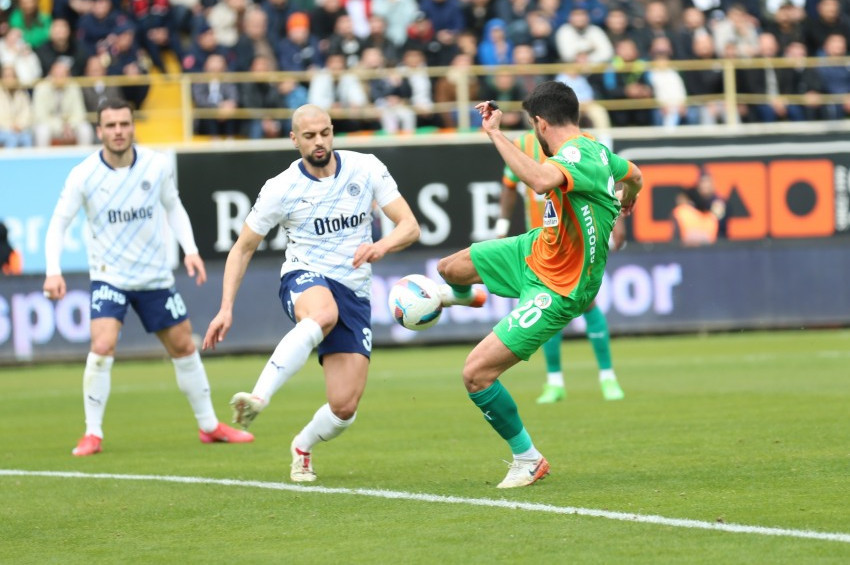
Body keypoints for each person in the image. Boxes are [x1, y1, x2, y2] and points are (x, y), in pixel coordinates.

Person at [436, 81, 642, 488]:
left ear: (540, 124)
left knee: (476, 374)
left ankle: (528, 458)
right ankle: (474, 295)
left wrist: (496, 133)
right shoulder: (597, 150)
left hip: (561, 285)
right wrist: (628, 195)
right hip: (537, 250)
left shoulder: (578, 156)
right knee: (448, 269)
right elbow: (634, 173)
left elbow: (541, 182)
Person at [203, 104, 420, 483]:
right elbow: (242, 248)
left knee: (344, 409)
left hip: (354, 291)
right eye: (309, 136)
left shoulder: (366, 167)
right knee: (322, 313)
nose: (319, 142)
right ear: (294, 139)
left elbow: (409, 226)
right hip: (305, 276)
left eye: (324, 133)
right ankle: (259, 397)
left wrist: (380, 247)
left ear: (332, 131)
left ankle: (302, 445)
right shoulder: (281, 188)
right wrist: (225, 308)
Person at [43, 98, 254, 457]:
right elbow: (58, 223)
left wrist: (189, 249)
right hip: (110, 277)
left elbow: (173, 207)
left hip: (154, 277)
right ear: (99, 131)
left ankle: (209, 426)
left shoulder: (156, 166)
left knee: (184, 346)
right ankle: (92, 433)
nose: (118, 131)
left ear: (132, 126)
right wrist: (53, 271)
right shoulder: (83, 174)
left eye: (124, 124)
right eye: (110, 126)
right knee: (102, 344)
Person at [495, 128, 625, 404]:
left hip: (576, 242)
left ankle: (607, 376)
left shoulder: (584, 143)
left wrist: (619, 223)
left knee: (587, 303)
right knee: (542, 305)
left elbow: (610, 183)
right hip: (542, 244)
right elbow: (508, 186)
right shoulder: (521, 145)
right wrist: (502, 225)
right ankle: (555, 382)